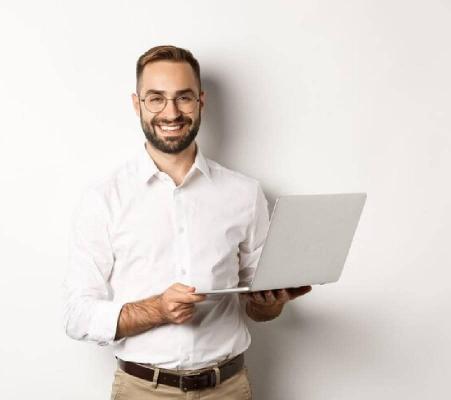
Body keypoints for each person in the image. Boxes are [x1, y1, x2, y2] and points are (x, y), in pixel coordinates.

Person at [62, 45, 312, 400]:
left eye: (183, 97)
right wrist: (157, 310)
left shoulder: (245, 193)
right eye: (156, 99)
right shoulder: (104, 199)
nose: (171, 112)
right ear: (137, 104)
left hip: (228, 389)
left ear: (200, 102)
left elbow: (258, 309)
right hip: (142, 391)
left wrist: (271, 302)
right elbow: (77, 315)